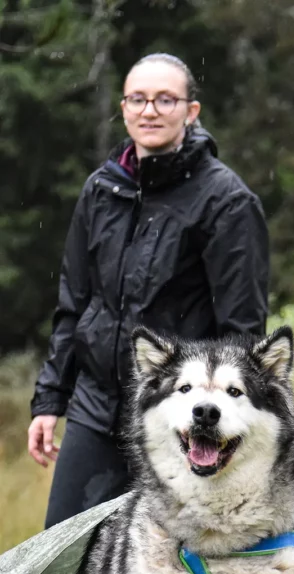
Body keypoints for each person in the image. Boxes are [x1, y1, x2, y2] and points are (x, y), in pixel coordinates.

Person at [28, 52, 269, 528]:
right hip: (95, 411)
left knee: (166, 559)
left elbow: (242, 331)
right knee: (62, 553)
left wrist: (218, 419)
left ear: (191, 111)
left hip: (180, 420)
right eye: (137, 99)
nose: (150, 111)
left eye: (165, 99)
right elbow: (74, 305)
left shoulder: (227, 201)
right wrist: (50, 400)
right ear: (123, 108)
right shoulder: (102, 188)